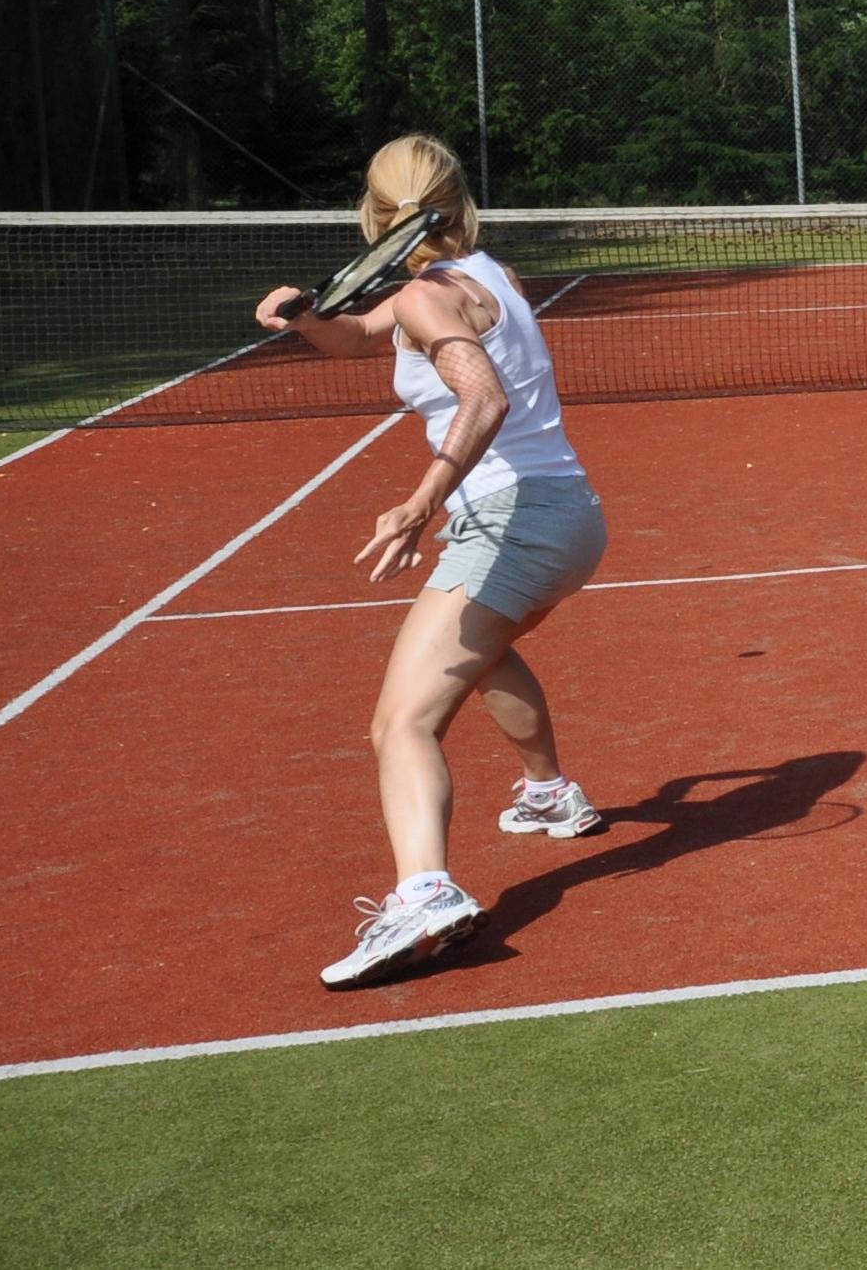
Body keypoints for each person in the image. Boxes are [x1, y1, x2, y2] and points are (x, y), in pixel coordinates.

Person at [257, 135, 613, 992]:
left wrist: (422, 500)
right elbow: (353, 338)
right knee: (481, 651)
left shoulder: (425, 294)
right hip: (571, 515)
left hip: (509, 519)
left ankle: (423, 891)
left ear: (378, 213)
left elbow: (482, 395)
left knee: (400, 722)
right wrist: (306, 319)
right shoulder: (486, 275)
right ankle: (549, 792)